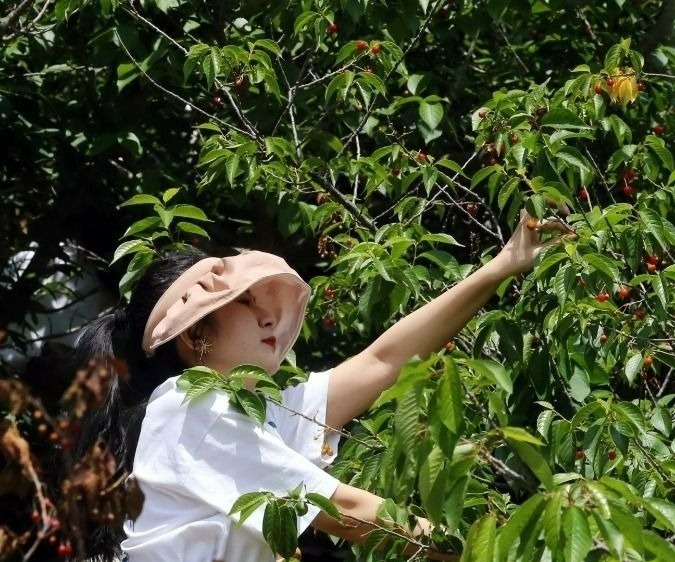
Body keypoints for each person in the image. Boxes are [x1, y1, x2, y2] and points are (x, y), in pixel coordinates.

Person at [72, 207, 575, 562]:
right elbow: (346, 510)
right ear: (195, 335)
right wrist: (503, 545)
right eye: (245, 304)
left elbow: (384, 361)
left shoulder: (256, 414)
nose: (269, 318)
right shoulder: (190, 408)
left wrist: (503, 264)